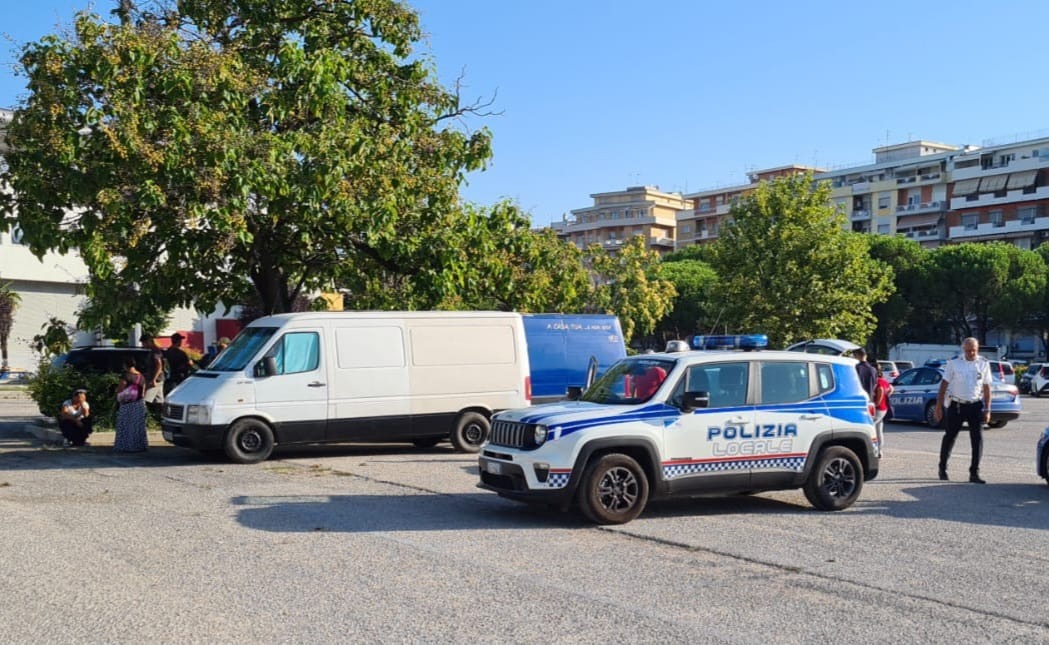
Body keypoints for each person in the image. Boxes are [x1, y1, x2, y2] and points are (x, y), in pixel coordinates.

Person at [933, 337, 992, 483]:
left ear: (977, 349)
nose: (971, 353)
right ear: (963, 350)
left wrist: (988, 408)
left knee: (977, 439)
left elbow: (987, 387)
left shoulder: (983, 364)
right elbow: (943, 386)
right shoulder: (954, 364)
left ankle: (974, 473)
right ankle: (943, 468)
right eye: (968, 350)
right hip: (957, 405)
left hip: (975, 405)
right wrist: (939, 407)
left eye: (974, 350)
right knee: (950, 437)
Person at [114, 357, 148, 453]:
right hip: (139, 404)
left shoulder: (126, 376)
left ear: (125, 365)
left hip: (127, 404)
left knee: (126, 425)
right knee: (137, 425)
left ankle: (125, 446)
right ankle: (138, 446)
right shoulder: (141, 376)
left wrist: (116, 393)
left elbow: (121, 388)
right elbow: (143, 392)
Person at [140, 333, 166, 409]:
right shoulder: (154, 351)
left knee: (144, 400)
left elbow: (159, 365)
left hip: (156, 380)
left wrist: (153, 379)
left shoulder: (156, 351)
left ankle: (141, 418)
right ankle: (161, 418)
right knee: (159, 402)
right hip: (158, 379)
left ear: (148, 341)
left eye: (143, 343)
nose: (143, 345)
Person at [872, 368, 893, 458]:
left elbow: (880, 390)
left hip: (879, 408)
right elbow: (892, 388)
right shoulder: (885, 381)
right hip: (884, 408)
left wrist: (876, 403)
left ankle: (875, 450)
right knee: (879, 429)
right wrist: (887, 395)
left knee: (871, 427)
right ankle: (880, 450)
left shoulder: (878, 382)